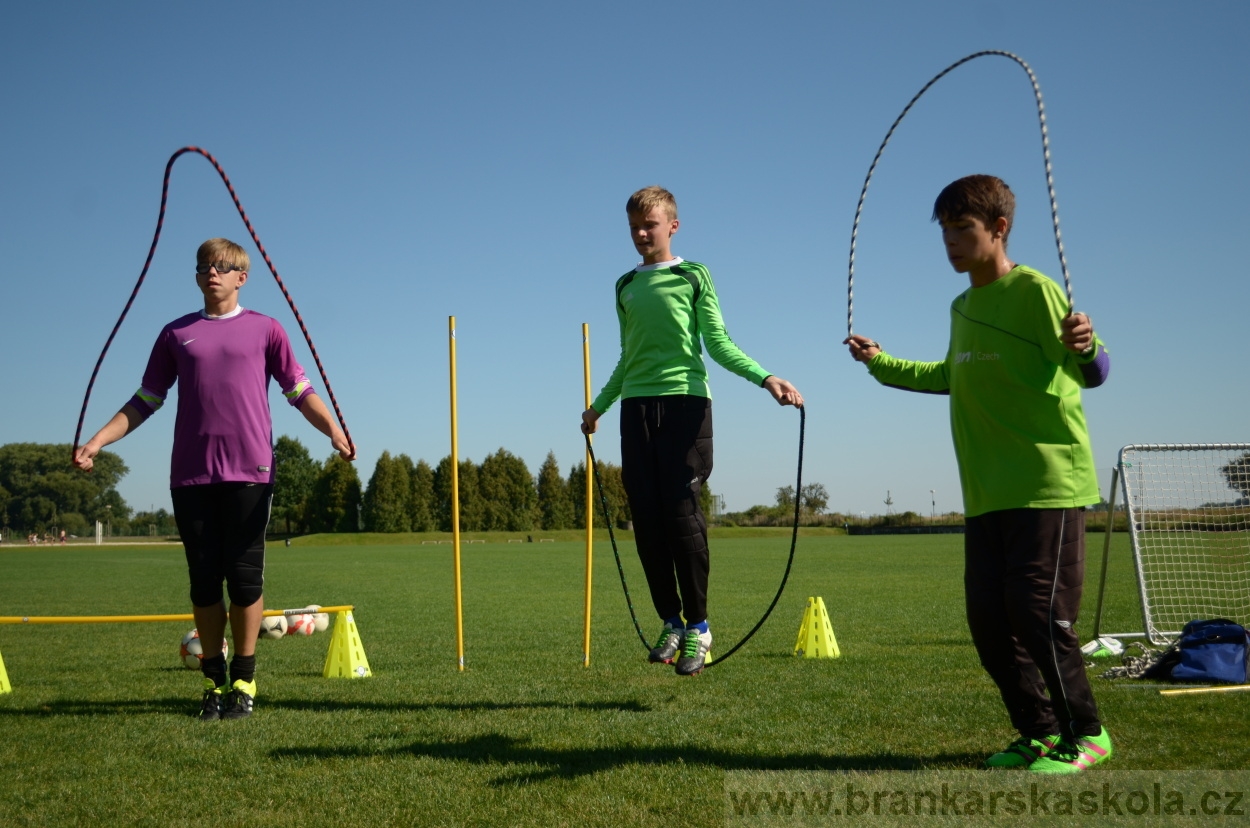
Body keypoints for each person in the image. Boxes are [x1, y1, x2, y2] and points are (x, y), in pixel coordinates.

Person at [844, 175, 1112, 774]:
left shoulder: (1036, 291)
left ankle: (1088, 733)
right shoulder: (962, 306)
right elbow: (951, 375)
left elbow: (1094, 371)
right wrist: (879, 362)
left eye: (963, 229)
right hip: (986, 495)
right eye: (944, 231)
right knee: (990, 625)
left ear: (998, 229)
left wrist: (1087, 345)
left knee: (1038, 617)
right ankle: (1040, 734)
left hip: (1048, 487)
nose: (952, 242)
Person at [74, 238, 354, 720]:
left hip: (251, 471)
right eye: (204, 266)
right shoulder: (175, 334)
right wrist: (98, 441)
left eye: (222, 267)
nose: (212, 272)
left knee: (244, 580)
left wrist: (333, 429)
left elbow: (298, 390)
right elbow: (146, 399)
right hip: (191, 475)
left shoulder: (266, 329)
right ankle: (214, 684)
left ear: (242, 277)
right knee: (204, 584)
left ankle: (244, 681)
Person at [582, 186, 803, 676]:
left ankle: (700, 628)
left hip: (687, 407)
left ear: (672, 226)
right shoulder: (624, 286)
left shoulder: (692, 275)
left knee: (682, 518)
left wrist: (765, 378)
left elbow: (718, 343)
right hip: (636, 408)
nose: (642, 234)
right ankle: (672, 622)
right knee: (647, 523)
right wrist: (598, 407)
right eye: (635, 227)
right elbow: (627, 357)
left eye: (650, 225)